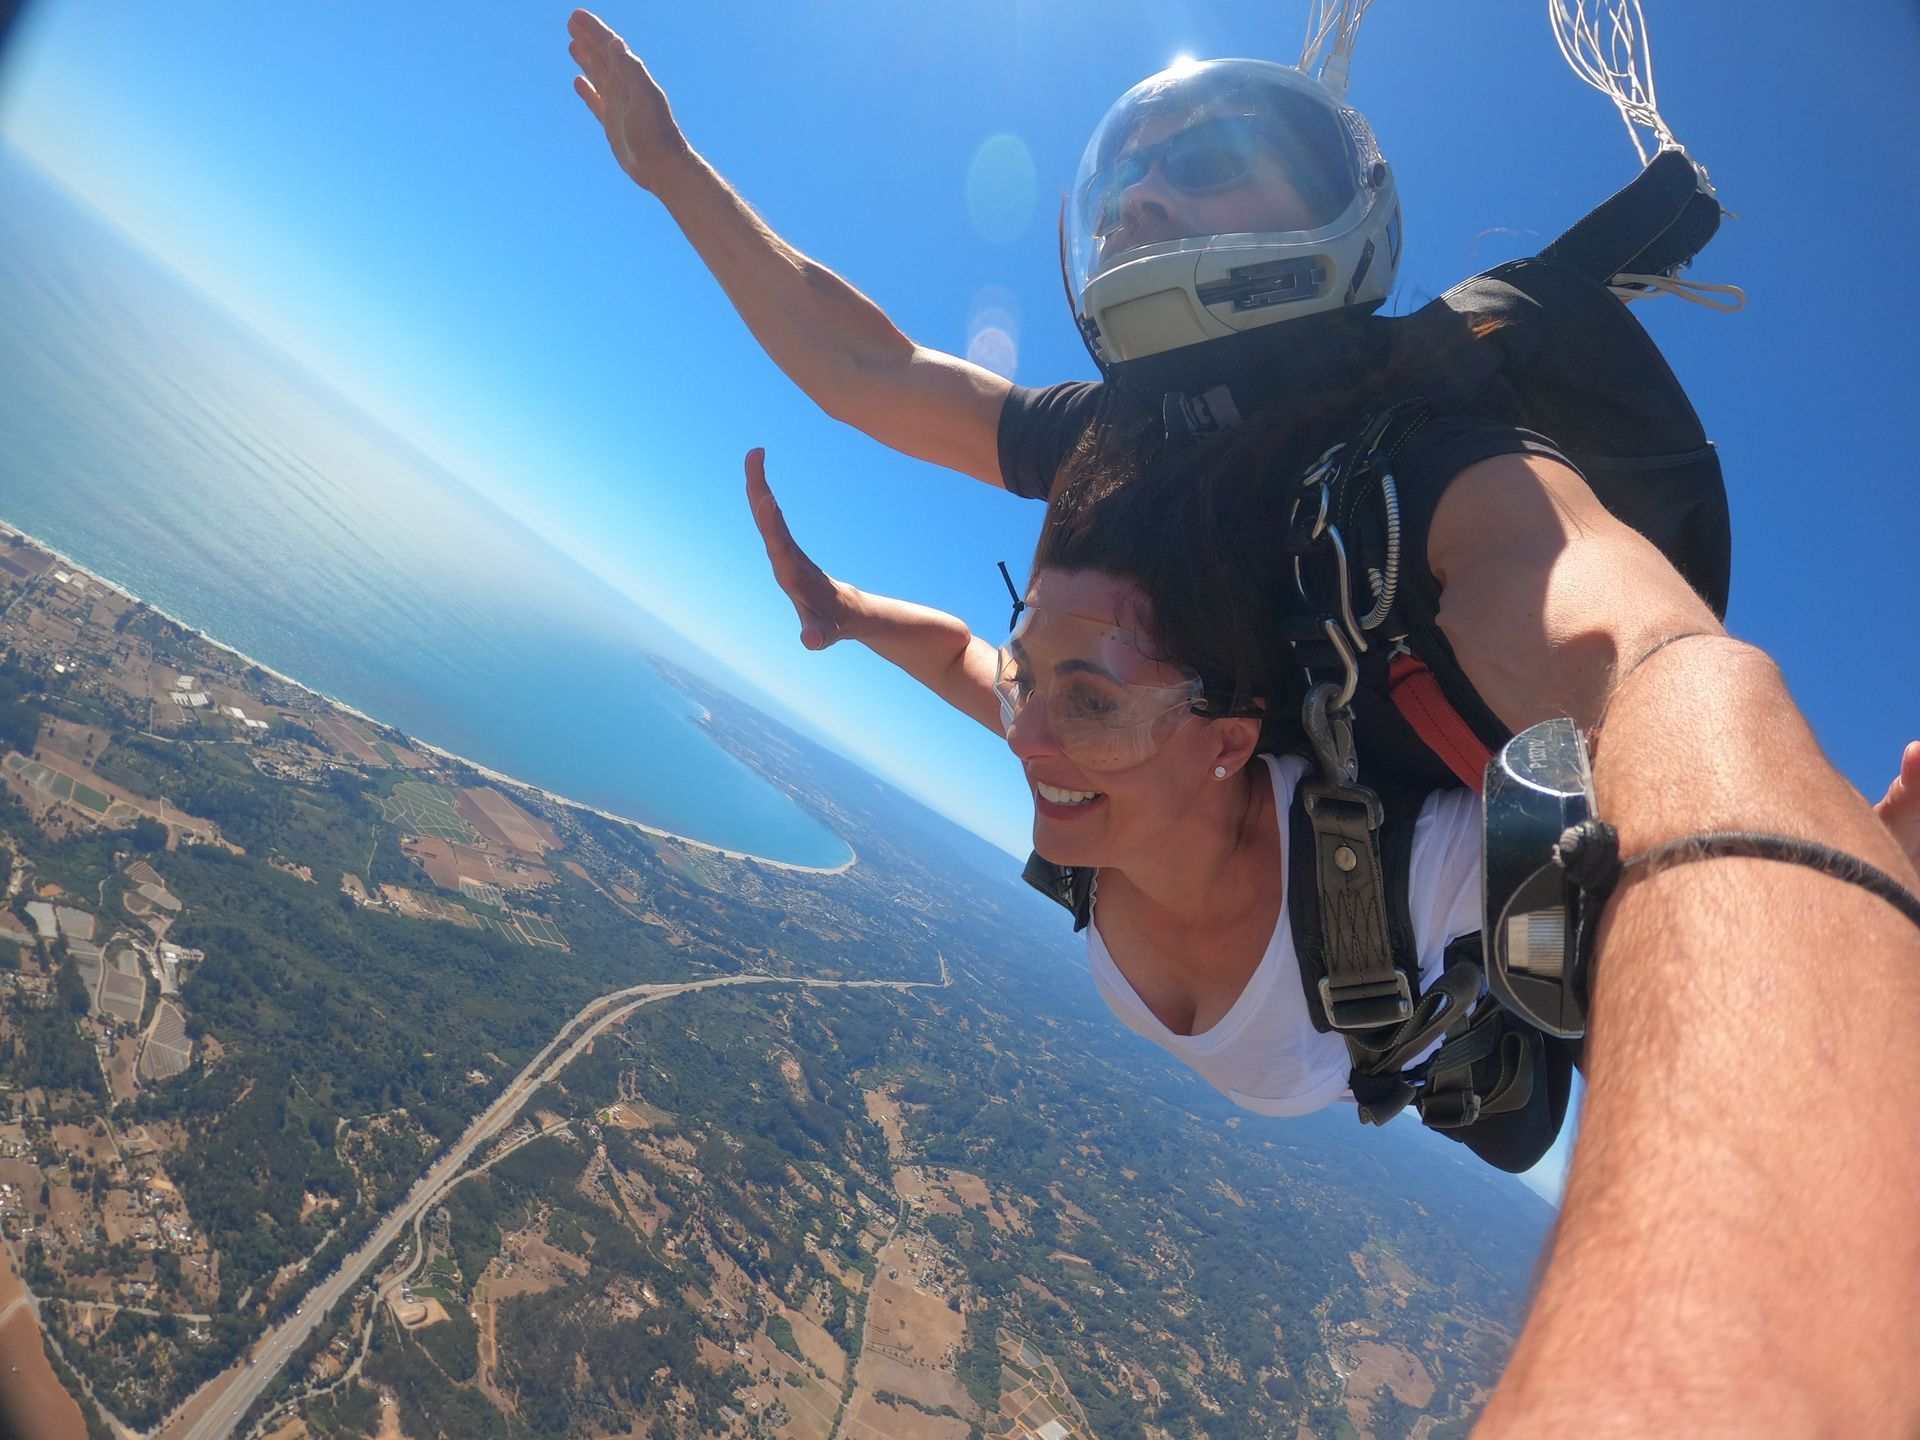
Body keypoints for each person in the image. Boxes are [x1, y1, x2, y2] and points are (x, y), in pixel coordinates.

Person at [575, 16, 1920, 1431]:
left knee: (1559, 898)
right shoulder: (1114, 489)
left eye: (1213, 157)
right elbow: (874, 386)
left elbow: (1647, 667)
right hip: (1279, 952)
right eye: (1130, 175)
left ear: (1344, 209)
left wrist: (1809, 873)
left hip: (1337, 964)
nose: (1148, 193)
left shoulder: (1447, 481)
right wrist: (672, 175)